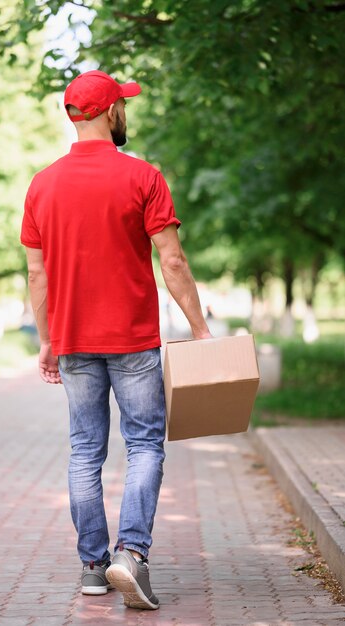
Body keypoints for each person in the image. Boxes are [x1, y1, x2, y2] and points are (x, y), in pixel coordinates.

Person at [20, 69, 212, 611]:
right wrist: (200, 330)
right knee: (145, 443)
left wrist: (47, 339)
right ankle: (131, 554)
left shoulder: (42, 184)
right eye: (121, 104)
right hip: (132, 341)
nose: (124, 110)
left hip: (75, 342)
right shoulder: (143, 177)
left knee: (85, 451)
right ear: (110, 113)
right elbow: (171, 259)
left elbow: (38, 276)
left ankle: (92, 568)